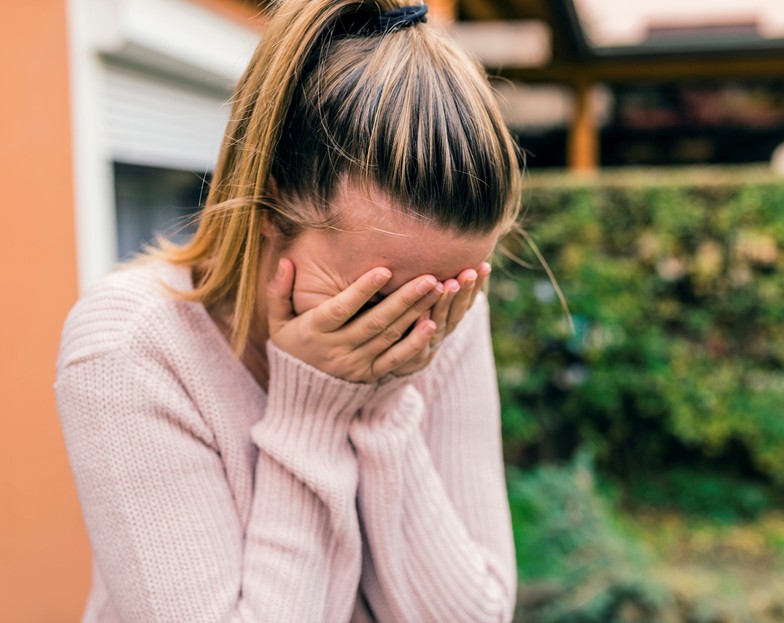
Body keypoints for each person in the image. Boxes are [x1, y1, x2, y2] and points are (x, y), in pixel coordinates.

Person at [55, 1, 521, 621]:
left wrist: (381, 401)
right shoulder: (130, 349)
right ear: (270, 204)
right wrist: (313, 415)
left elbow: (480, 613)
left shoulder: (444, 309)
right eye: (375, 298)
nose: (411, 330)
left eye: (440, 296)